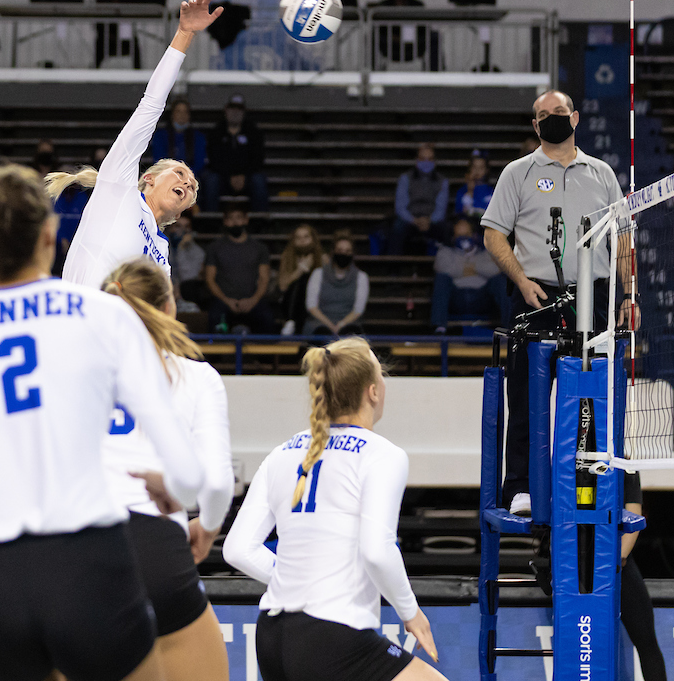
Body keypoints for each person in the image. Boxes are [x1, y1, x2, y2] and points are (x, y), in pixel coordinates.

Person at [0, 164, 204, 681]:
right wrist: (170, 486)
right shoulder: (107, 314)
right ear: (50, 236)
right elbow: (185, 471)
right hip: (89, 557)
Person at [223, 337, 447, 681]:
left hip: (271, 633)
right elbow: (377, 550)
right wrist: (411, 612)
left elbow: (237, 549)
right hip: (333, 635)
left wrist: (301, 580)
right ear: (373, 391)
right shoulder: (381, 454)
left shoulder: (282, 452)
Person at [481, 89, 638, 516]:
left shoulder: (602, 173)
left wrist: (630, 294)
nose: (551, 118)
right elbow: (493, 233)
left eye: (559, 112)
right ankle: (520, 489)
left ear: (576, 117)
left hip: (595, 298)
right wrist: (520, 279)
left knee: (590, 398)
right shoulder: (518, 172)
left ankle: (585, 486)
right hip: (536, 296)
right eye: (542, 115)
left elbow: (623, 239)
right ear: (535, 126)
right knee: (526, 399)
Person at [101, 258, 234, 681]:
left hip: (69, 545)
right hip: (151, 541)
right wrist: (207, 527)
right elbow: (216, 483)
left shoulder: (67, 377)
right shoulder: (195, 377)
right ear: (169, 307)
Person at [48, 0, 221, 286]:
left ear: (184, 210)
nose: (187, 183)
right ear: (150, 178)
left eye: (191, 187)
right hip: (77, 319)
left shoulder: (163, 254)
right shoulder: (119, 187)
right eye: (180, 173)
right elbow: (151, 105)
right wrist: (184, 35)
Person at [620, 471, 667, 681]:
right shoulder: (563, 461)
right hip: (575, 566)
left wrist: (618, 558)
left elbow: (634, 513)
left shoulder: (625, 467)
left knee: (647, 642)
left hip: (616, 566)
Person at [429, 219, 510, 333]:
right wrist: (474, 268)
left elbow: (496, 270)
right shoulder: (446, 251)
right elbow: (441, 268)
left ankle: (509, 327)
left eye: (467, 235)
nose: (464, 239)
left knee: (499, 281)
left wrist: (471, 268)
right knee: (441, 279)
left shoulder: (487, 251)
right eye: (459, 236)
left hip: (482, 298)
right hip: (457, 298)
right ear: (453, 237)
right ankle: (439, 327)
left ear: (474, 235)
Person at [204, 205, 275, 334]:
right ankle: (213, 354)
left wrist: (253, 300)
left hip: (253, 300)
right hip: (223, 301)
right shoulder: (214, 248)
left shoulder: (259, 248)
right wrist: (227, 301)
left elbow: (264, 278)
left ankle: (267, 355)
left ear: (246, 220)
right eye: (231, 218)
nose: (235, 222)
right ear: (225, 221)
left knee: (267, 318)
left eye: (239, 218)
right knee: (214, 318)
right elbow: (209, 279)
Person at [202, 95, 268, 213]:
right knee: (211, 181)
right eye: (232, 109)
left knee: (259, 181)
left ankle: (260, 225)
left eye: (239, 109)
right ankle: (210, 224)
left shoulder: (253, 132)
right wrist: (229, 176)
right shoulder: (217, 132)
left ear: (244, 112)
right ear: (226, 110)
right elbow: (213, 158)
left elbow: (258, 158)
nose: (235, 112)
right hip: (223, 177)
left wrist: (244, 175)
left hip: (247, 177)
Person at [388, 144, 449, 256]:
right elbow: (400, 207)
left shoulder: (442, 181)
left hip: (432, 221)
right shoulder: (405, 178)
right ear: (417, 160)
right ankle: (394, 270)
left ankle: (447, 268)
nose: (426, 162)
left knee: (446, 229)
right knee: (397, 228)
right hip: (409, 220)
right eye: (423, 159)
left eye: (430, 159)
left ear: (434, 162)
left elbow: (441, 209)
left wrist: (428, 221)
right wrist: (414, 220)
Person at [303, 235, 369, 336]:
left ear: (352, 254)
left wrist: (341, 325)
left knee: (351, 336)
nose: (343, 254)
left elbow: (358, 310)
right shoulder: (318, 273)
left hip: (349, 326)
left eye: (347, 251)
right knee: (321, 335)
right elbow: (312, 306)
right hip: (319, 325)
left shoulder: (361, 277)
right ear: (333, 252)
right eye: (340, 250)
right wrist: (330, 326)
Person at [278, 224, 326, 336]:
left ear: (313, 239)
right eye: (298, 238)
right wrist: (300, 270)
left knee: (307, 281)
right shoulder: (287, 257)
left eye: (306, 237)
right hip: (292, 302)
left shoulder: (323, 259)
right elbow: (282, 286)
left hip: (317, 301)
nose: (302, 241)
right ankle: (291, 322)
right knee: (300, 282)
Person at [93, 0, 143, 69]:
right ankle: (95, 71)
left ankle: (138, 72)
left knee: (134, 44)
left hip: (125, 33)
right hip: (106, 34)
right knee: (100, 43)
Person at [372, 0, 428, 64]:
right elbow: (380, 29)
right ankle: (371, 70)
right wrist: (393, 37)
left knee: (434, 37)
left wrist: (412, 37)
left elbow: (423, 29)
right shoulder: (384, 5)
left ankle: (436, 73)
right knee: (372, 36)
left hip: (414, 45)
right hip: (390, 45)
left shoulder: (417, 5)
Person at [150, 98, 207, 176]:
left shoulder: (198, 137)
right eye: (178, 111)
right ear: (172, 114)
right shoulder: (160, 136)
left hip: (192, 176)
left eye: (185, 112)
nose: (182, 115)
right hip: (167, 176)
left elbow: (199, 162)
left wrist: (186, 174)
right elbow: (159, 161)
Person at [167, 213, 207, 308]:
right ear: (170, 228)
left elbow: (187, 277)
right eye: (178, 226)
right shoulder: (161, 245)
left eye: (186, 226)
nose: (182, 230)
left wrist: (182, 248)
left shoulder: (198, 252)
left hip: (186, 296)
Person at [454, 151, 494, 221]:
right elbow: (460, 213)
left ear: (487, 170)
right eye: (474, 167)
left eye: (481, 168)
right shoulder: (462, 191)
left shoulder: (492, 191)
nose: (477, 171)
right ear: (470, 169)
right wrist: (470, 191)